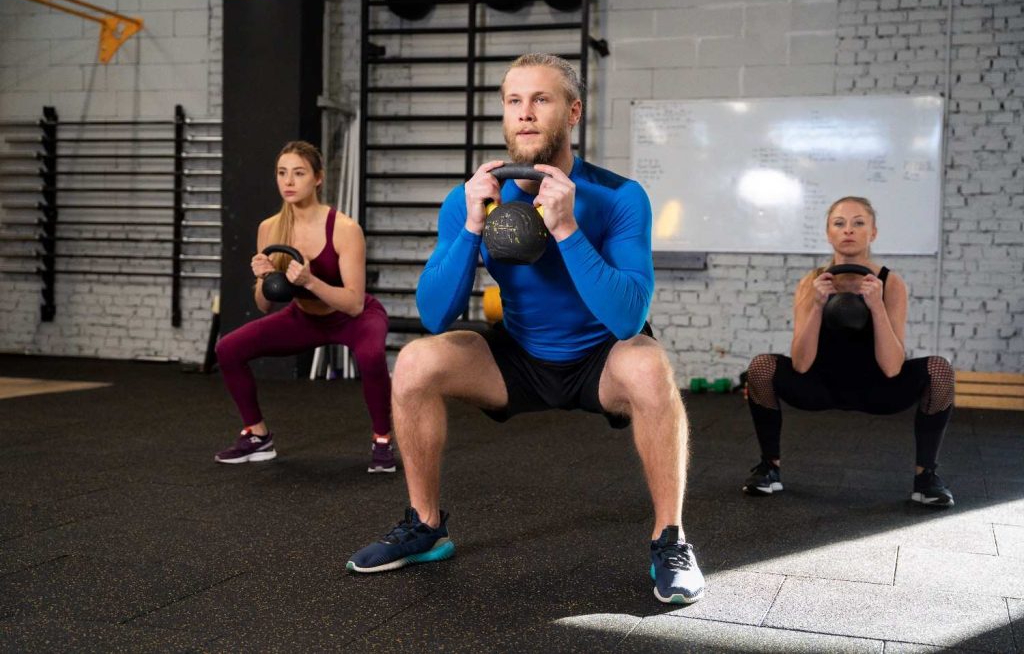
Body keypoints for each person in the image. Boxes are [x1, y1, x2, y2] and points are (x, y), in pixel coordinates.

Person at [345, 54, 705, 605]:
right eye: (514, 101)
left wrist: (566, 228)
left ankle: (670, 540)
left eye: (542, 99)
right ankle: (425, 526)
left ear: (574, 111)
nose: (526, 114)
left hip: (598, 360)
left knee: (650, 362)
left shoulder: (618, 197)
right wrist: (470, 224)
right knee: (417, 360)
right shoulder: (474, 197)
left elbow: (628, 318)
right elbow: (436, 315)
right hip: (517, 358)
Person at [741, 196, 955, 507]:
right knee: (760, 367)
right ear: (829, 233)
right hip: (820, 385)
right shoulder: (811, 283)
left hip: (877, 387)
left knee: (939, 369)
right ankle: (769, 468)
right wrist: (817, 304)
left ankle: (927, 477)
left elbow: (893, 367)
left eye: (858, 223)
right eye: (839, 223)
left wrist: (877, 306)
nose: (848, 230)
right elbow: (801, 364)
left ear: (873, 233)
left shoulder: (890, 283)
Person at [213, 141, 396, 473]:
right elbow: (263, 305)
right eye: (282, 173)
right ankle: (257, 436)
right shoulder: (269, 229)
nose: (289, 182)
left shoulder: (344, 229)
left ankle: (382, 439)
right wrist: (265, 278)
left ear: (318, 179)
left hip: (352, 317)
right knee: (228, 349)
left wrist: (310, 282)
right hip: (304, 317)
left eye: (299, 173)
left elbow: (354, 303)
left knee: (370, 356)